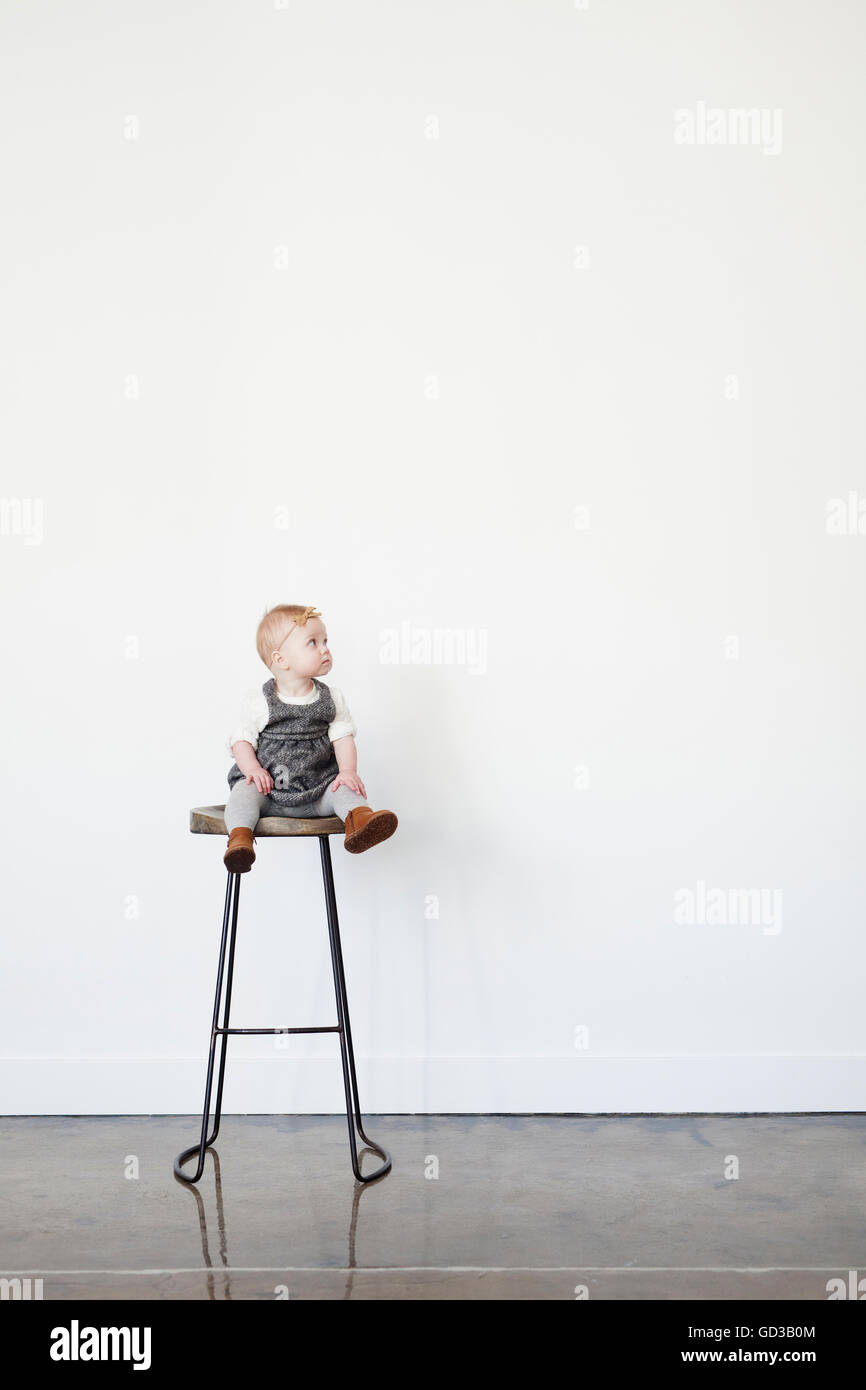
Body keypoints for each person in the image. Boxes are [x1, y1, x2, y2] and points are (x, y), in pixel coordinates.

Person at [223, 604, 398, 872]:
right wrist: (253, 769)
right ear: (281, 659)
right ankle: (240, 839)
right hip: (269, 791)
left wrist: (348, 771)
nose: (325, 649)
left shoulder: (332, 698)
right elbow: (241, 740)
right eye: (313, 643)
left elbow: (343, 737)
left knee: (344, 788)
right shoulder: (260, 701)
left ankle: (360, 821)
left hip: (318, 790)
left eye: (325, 641)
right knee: (243, 793)